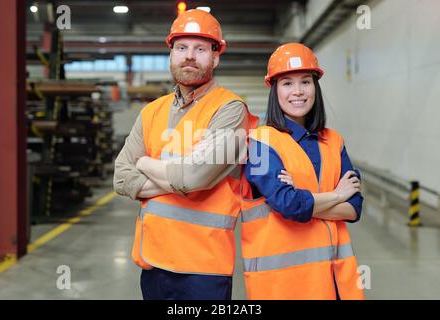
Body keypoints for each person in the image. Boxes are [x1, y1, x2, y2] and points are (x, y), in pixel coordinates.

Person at [113, 9, 257, 300]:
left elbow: (194, 177)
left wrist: (143, 163)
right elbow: (120, 177)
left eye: (200, 48)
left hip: (203, 268)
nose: (189, 56)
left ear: (215, 57)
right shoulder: (152, 111)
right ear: (171, 54)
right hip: (153, 263)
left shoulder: (230, 110)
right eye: (182, 48)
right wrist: (181, 178)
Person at [241, 43, 365, 300]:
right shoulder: (261, 143)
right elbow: (288, 204)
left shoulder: (334, 141)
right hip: (283, 287)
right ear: (274, 90)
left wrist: (306, 199)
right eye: (287, 83)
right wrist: (336, 195)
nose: (297, 92)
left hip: (335, 283)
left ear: (315, 87)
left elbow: (354, 208)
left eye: (305, 82)